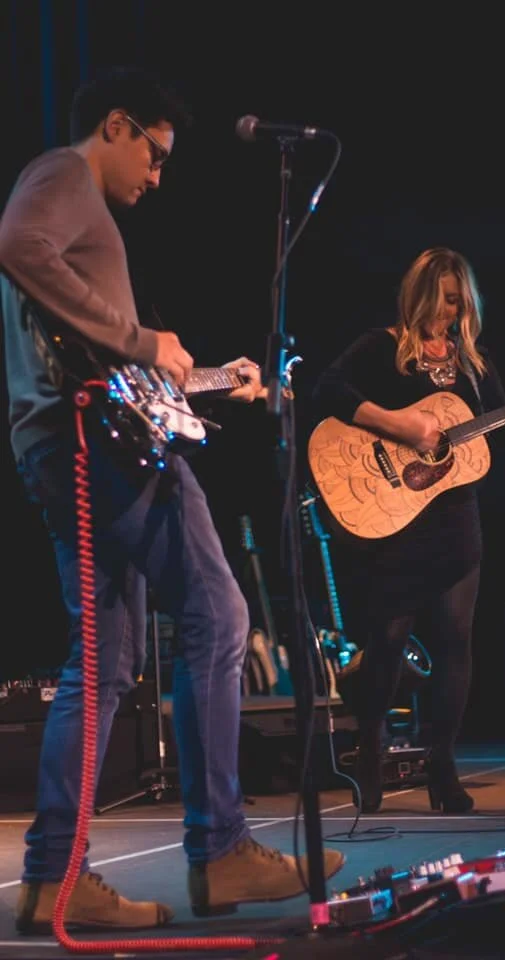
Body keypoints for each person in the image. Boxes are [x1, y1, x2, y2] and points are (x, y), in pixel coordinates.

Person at [0, 65, 344, 934]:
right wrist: (142, 339)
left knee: (105, 664)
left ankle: (56, 877)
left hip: (66, 442)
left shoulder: (81, 202)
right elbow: (17, 244)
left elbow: (107, 363)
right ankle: (221, 849)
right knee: (221, 619)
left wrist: (204, 378)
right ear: (117, 125)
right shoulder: (64, 176)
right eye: (154, 155)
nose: (157, 178)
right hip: (95, 446)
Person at [310, 246, 505, 815]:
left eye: (459, 304)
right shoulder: (382, 347)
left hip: (456, 520)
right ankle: (369, 754)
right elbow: (328, 391)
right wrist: (401, 424)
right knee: (387, 642)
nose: (450, 316)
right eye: (443, 303)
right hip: (395, 516)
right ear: (420, 299)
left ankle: (443, 767)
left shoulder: (475, 365)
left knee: (456, 642)